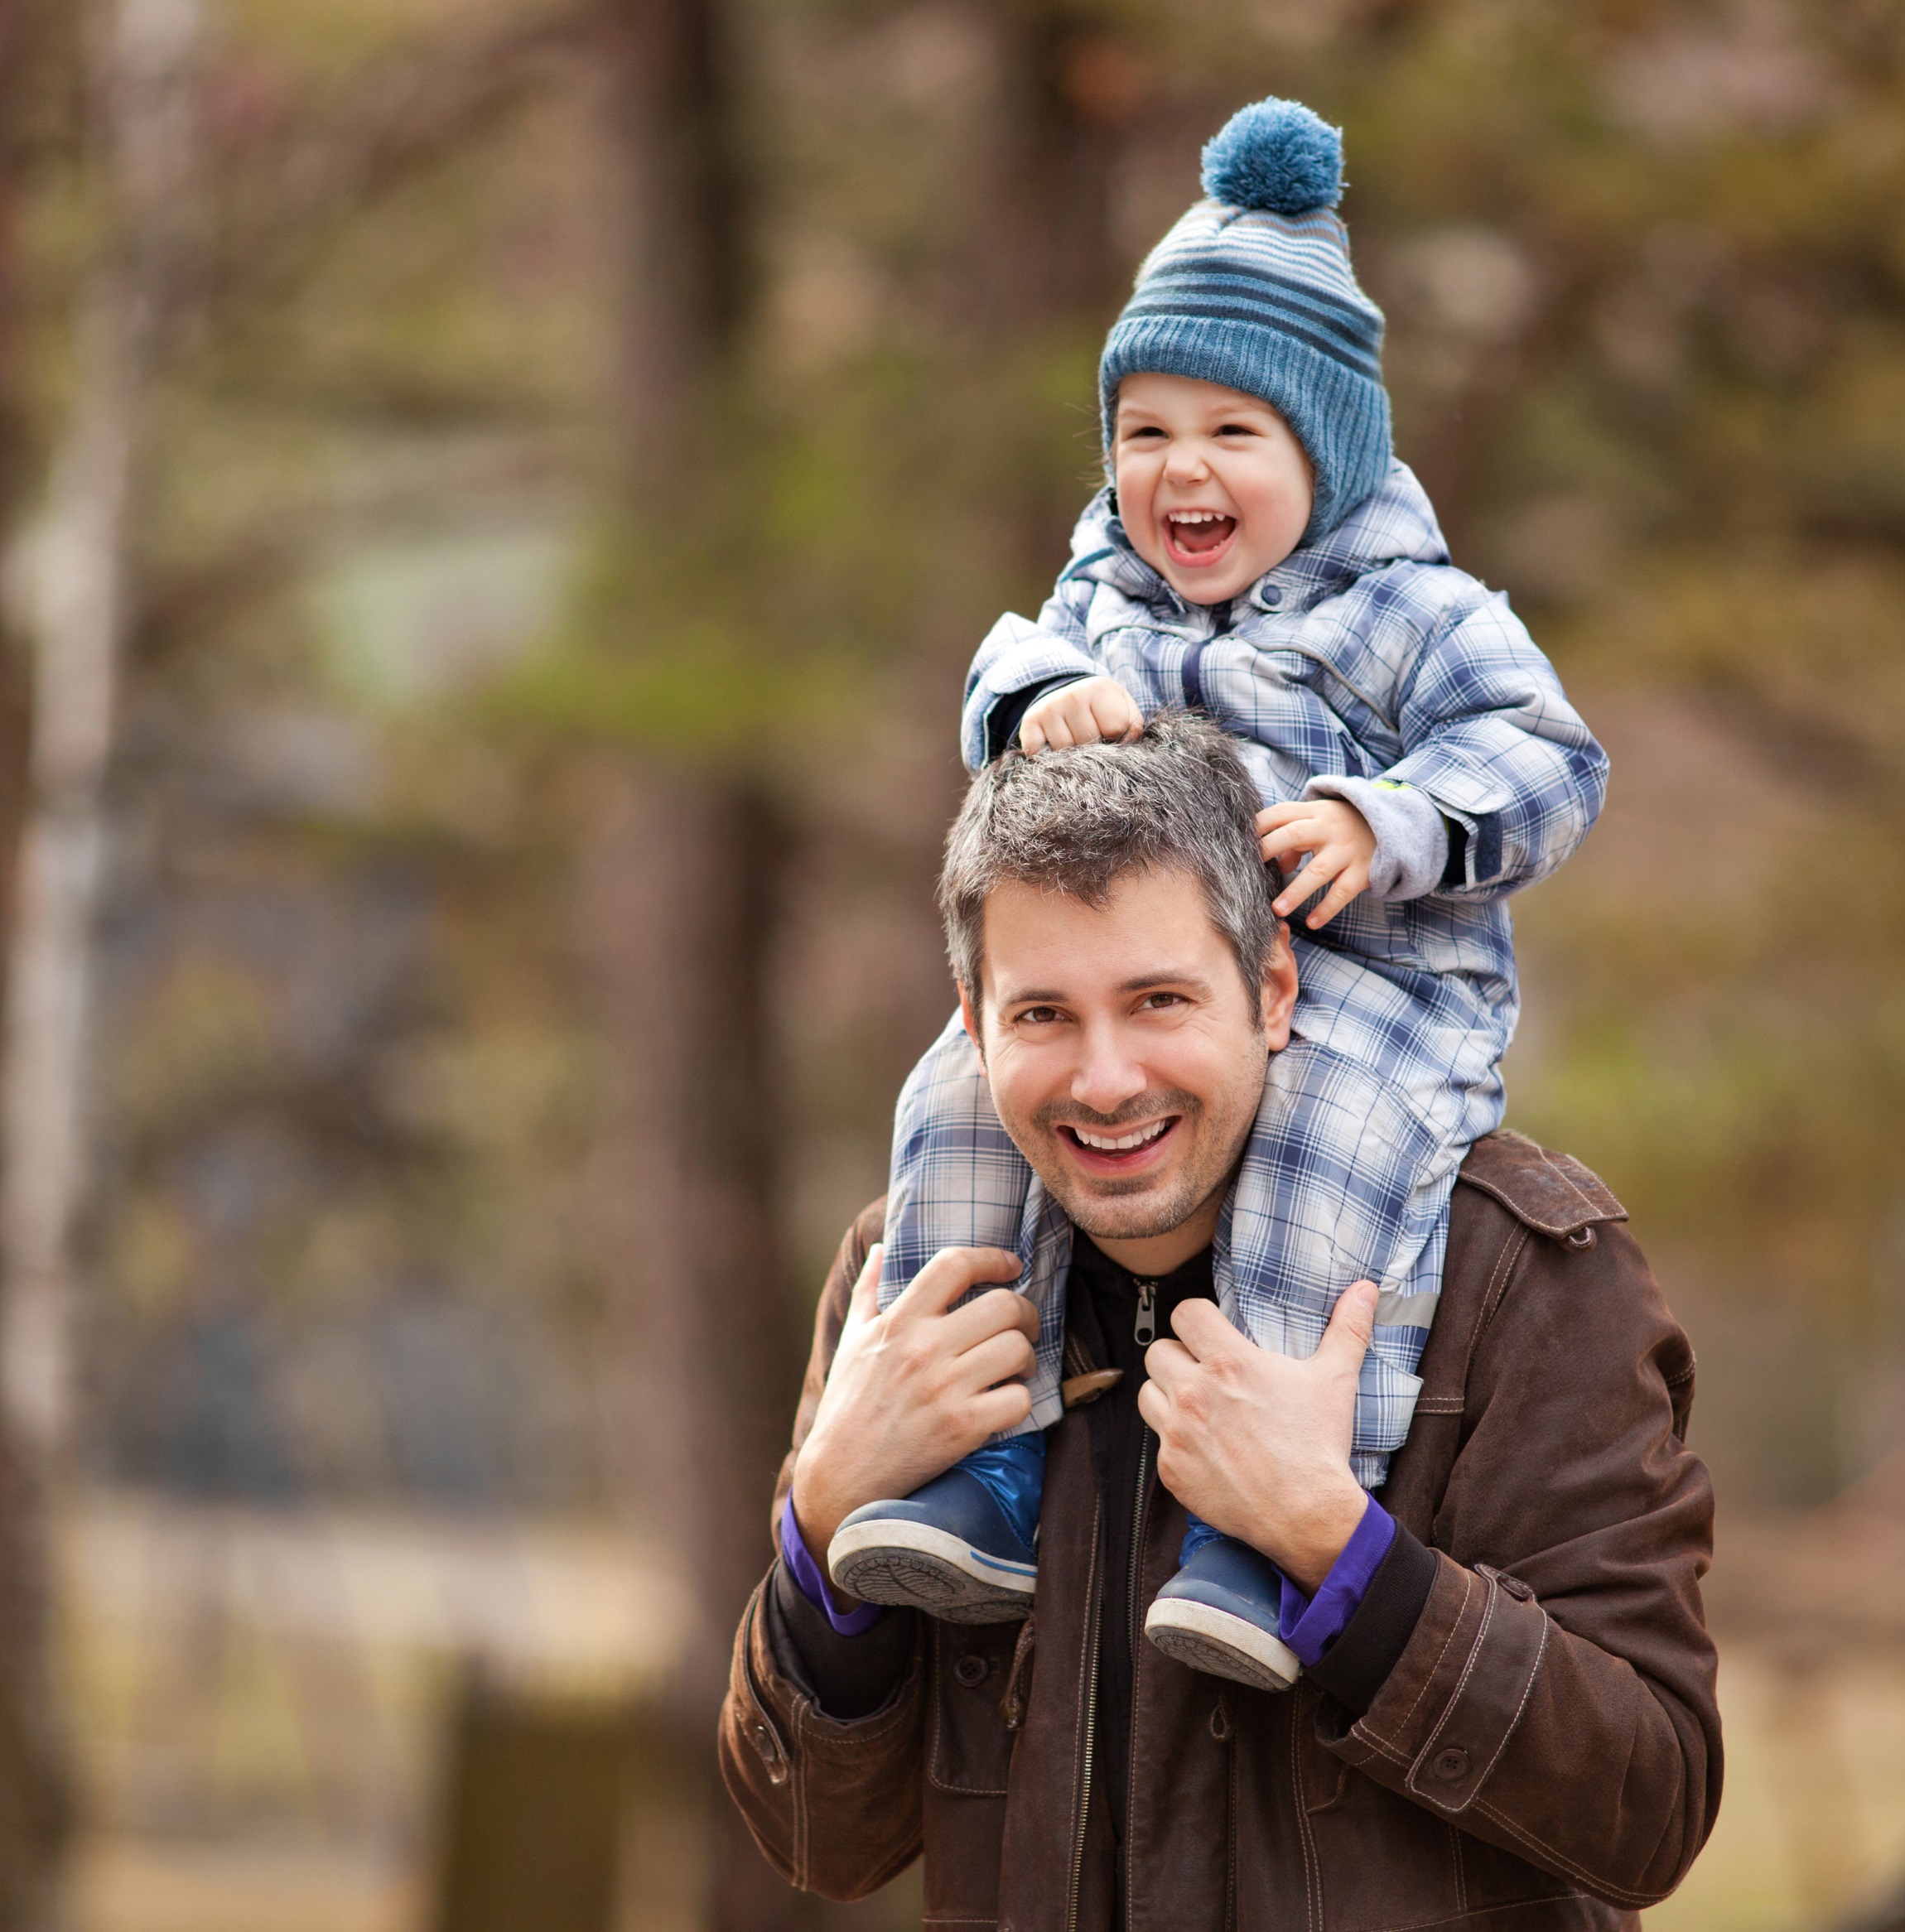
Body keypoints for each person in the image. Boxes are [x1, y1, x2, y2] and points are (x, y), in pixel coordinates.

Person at [824, 95, 1608, 1693]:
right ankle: (973, 1463)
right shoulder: (1104, 582)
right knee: (957, 1095)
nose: (1178, 469)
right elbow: (1004, 652)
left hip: (1377, 994)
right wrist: (1037, 694)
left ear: (1327, 448)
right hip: (1159, 963)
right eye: (1144, 431)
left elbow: (1550, 756)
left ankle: (1265, 1516)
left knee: (1328, 1149)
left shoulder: (1411, 610)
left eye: (1233, 434)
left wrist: (1386, 821)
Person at [719, 716, 1717, 1928]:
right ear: (972, 1025)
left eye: (1158, 1000)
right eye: (1043, 1015)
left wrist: (1337, 1545)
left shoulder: (1517, 1271)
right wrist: (822, 1526)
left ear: (1273, 990)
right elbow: (820, 1837)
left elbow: (1651, 1802)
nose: (1105, 1078)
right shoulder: (908, 1292)